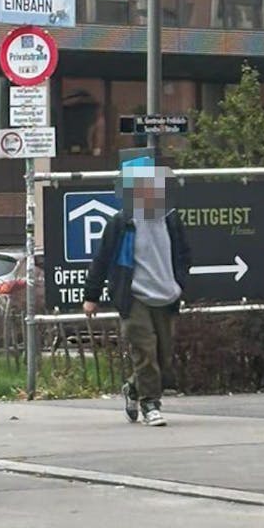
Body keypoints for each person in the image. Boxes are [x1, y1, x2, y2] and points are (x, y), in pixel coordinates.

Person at [82, 166, 192, 427]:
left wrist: (180, 283)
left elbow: (184, 255)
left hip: (166, 295)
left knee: (163, 359)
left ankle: (133, 389)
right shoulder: (122, 223)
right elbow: (102, 259)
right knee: (145, 352)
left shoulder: (171, 220)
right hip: (135, 297)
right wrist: (91, 295)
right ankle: (150, 405)